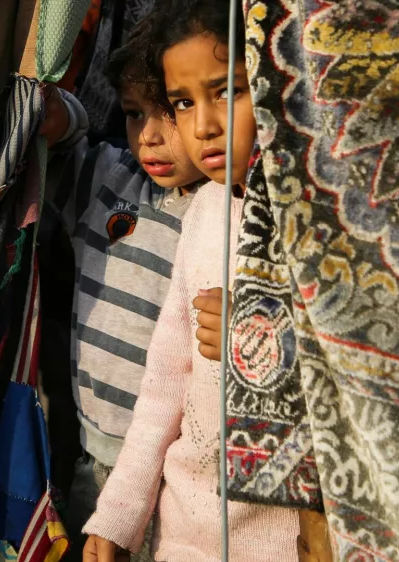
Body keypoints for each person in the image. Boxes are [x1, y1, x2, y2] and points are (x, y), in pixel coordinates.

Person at [81, 1, 300, 560]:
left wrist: (263, 335)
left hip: (283, 543)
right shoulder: (204, 212)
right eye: (184, 102)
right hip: (181, 535)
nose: (203, 126)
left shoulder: (316, 224)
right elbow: (164, 383)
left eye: (227, 92)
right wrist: (118, 515)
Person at [40, 15, 206, 561]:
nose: (149, 136)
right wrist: (61, 117)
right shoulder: (110, 181)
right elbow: (56, 144)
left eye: (173, 110)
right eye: (135, 113)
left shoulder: (226, 215)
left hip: (177, 472)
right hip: (92, 454)